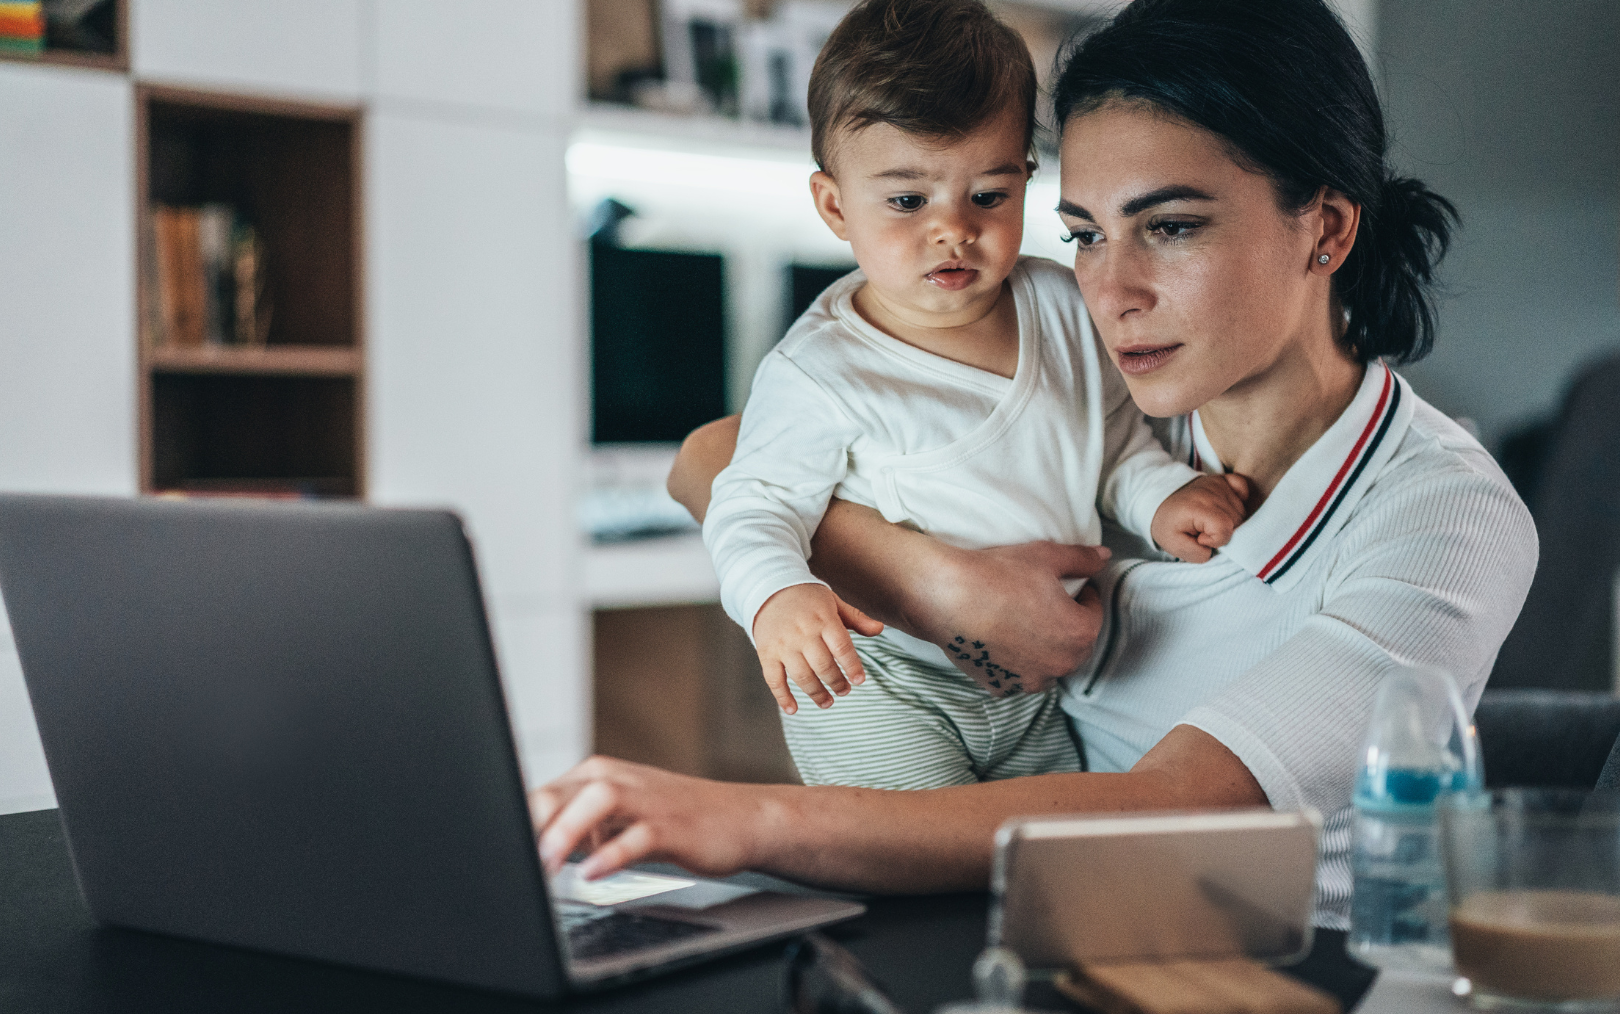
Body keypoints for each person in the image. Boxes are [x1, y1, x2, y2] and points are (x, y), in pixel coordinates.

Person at [533, 0, 1537, 932]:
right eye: (1085, 236)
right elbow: (711, 456)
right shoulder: (1110, 387)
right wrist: (937, 584)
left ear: (1325, 227)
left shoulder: (1441, 516)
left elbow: (1170, 808)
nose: (1111, 291)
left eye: (1172, 226)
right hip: (1016, 926)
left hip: (1240, 957)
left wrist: (742, 823)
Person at [707, 0, 1246, 792]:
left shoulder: (1062, 306)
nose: (952, 230)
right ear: (834, 207)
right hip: (885, 683)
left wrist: (1163, 499)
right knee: (912, 863)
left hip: (1032, 695)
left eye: (987, 196)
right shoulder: (819, 369)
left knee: (1037, 867)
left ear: (1027, 179)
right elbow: (751, 502)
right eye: (906, 201)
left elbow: (1113, 445)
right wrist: (777, 596)